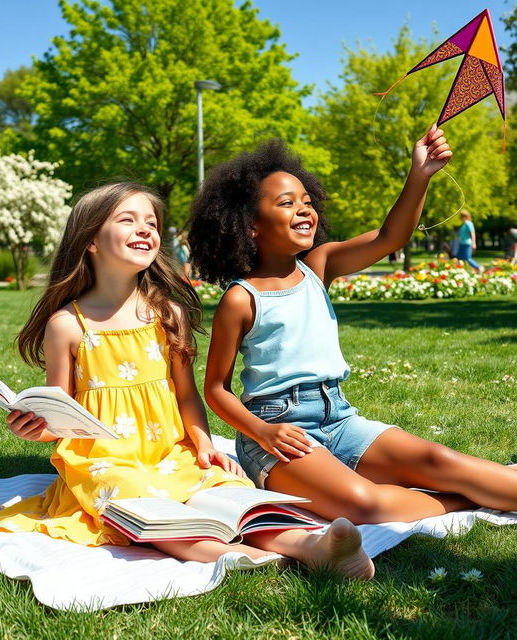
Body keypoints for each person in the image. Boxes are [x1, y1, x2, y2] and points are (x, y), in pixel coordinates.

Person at [0, 182, 374, 579]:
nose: (144, 228)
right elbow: (60, 413)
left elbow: (188, 395)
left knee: (225, 489)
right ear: (90, 240)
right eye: (127, 220)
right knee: (143, 504)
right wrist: (36, 428)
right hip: (103, 460)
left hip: (170, 449)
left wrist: (205, 444)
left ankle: (310, 546)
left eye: (151, 223)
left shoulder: (167, 314)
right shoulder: (67, 325)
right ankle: (247, 558)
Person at [188, 125, 517, 525]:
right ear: (250, 225)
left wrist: (420, 173)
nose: (304, 210)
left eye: (306, 201)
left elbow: (390, 236)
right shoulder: (241, 299)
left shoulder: (319, 265)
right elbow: (216, 389)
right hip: (276, 433)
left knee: (440, 459)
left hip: (340, 418)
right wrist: (263, 432)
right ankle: (470, 498)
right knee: (364, 505)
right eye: (287, 203)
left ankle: (487, 486)